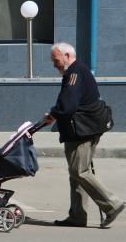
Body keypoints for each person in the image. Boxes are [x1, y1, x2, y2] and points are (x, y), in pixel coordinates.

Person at [44, 42, 125, 228]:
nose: (54, 64)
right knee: (76, 174)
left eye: (56, 60)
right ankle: (77, 216)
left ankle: (113, 204)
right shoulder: (77, 71)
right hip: (84, 129)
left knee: (79, 171)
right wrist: (55, 115)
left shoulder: (74, 73)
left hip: (82, 131)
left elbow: (68, 105)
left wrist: (53, 114)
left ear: (66, 55)